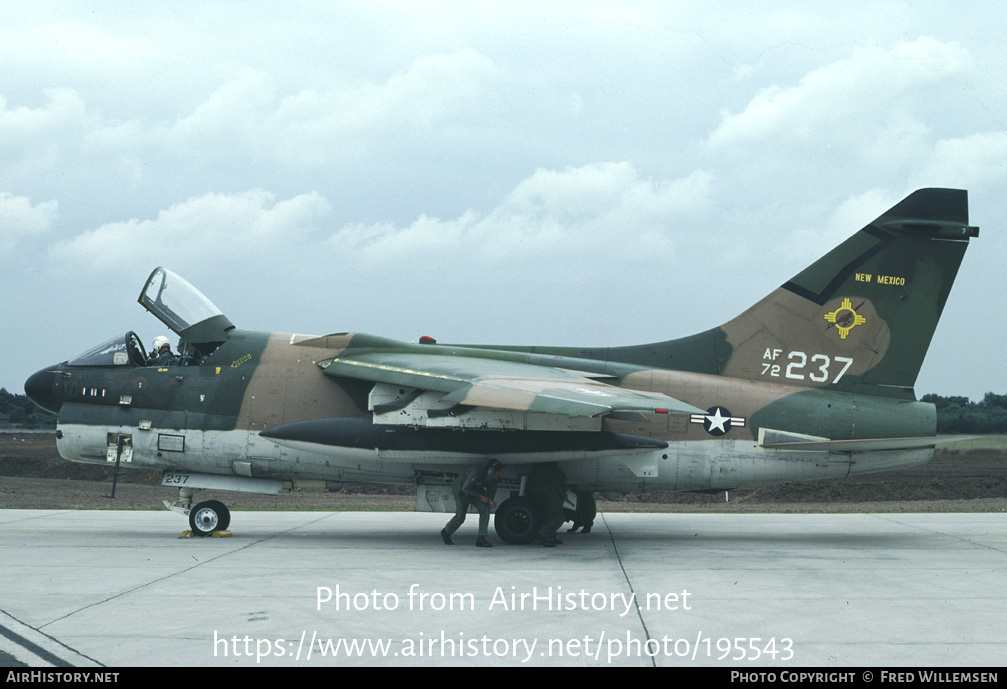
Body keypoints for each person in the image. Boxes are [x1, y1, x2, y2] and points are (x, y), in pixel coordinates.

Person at [441, 459, 503, 547]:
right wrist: (480, 496)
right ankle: (446, 532)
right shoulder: (476, 472)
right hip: (461, 491)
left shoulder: (494, 479)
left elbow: (492, 490)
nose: (500, 474)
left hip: (475, 491)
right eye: (498, 471)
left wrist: (490, 500)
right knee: (460, 517)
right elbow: (465, 488)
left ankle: (481, 538)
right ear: (491, 471)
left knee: (485, 509)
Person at [527, 462, 566, 547]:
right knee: (558, 517)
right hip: (550, 490)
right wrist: (563, 497)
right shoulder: (556, 470)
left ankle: (550, 536)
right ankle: (542, 535)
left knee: (545, 514)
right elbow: (562, 484)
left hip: (535, 489)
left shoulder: (536, 469)